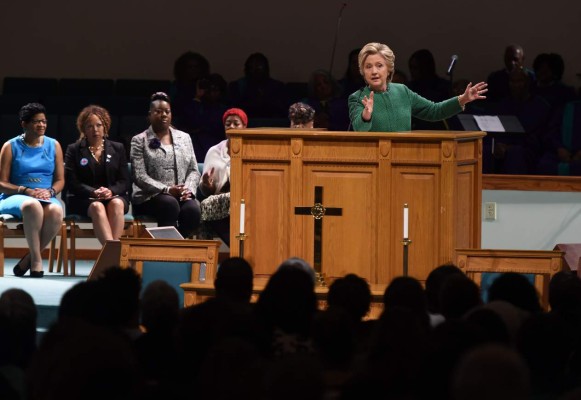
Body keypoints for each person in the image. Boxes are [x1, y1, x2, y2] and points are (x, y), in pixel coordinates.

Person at [348, 42, 487, 132]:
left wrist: (462, 99)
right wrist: (366, 116)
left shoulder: (402, 91)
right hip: (374, 163)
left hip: (404, 160)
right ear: (362, 71)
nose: (374, 72)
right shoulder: (357, 97)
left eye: (379, 65)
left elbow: (434, 111)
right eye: (368, 67)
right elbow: (359, 130)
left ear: (389, 69)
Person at [0, 103, 64, 278]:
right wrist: (25, 190)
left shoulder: (54, 145)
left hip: (45, 195)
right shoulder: (10, 146)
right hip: (15, 195)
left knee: (56, 211)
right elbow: (1, 183)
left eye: (44, 121)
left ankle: (27, 259)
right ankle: (36, 260)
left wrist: (50, 192)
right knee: (32, 205)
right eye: (36, 122)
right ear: (24, 124)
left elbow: (60, 180)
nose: (42, 125)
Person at [131, 92, 201, 238]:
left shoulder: (184, 137)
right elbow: (139, 176)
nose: (163, 115)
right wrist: (167, 189)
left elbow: (194, 170)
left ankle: (175, 248)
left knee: (193, 210)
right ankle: (167, 252)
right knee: (169, 204)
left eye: (167, 112)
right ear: (149, 115)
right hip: (149, 196)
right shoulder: (139, 140)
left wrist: (188, 190)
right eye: (158, 111)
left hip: (180, 195)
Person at [64, 105, 130, 245]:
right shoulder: (74, 149)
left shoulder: (118, 148)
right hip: (82, 199)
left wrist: (111, 191)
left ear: (105, 126)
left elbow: (124, 181)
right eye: (90, 126)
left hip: (113, 196)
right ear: (83, 129)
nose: (95, 130)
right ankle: (113, 256)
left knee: (117, 204)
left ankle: (110, 255)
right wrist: (93, 192)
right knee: (97, 207)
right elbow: (72, 182)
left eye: (99, 125)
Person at [196, 108, 248, 246]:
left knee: (211, 207)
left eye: (236, 123)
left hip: (246, 199)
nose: (231, 126)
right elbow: (206, 191)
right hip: (221, 200)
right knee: (205, 206)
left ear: (244, 126)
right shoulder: (214, 151)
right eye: (228, 123)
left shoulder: (253, 150)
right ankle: (207, 257)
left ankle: (239, 248)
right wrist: (208, 184)